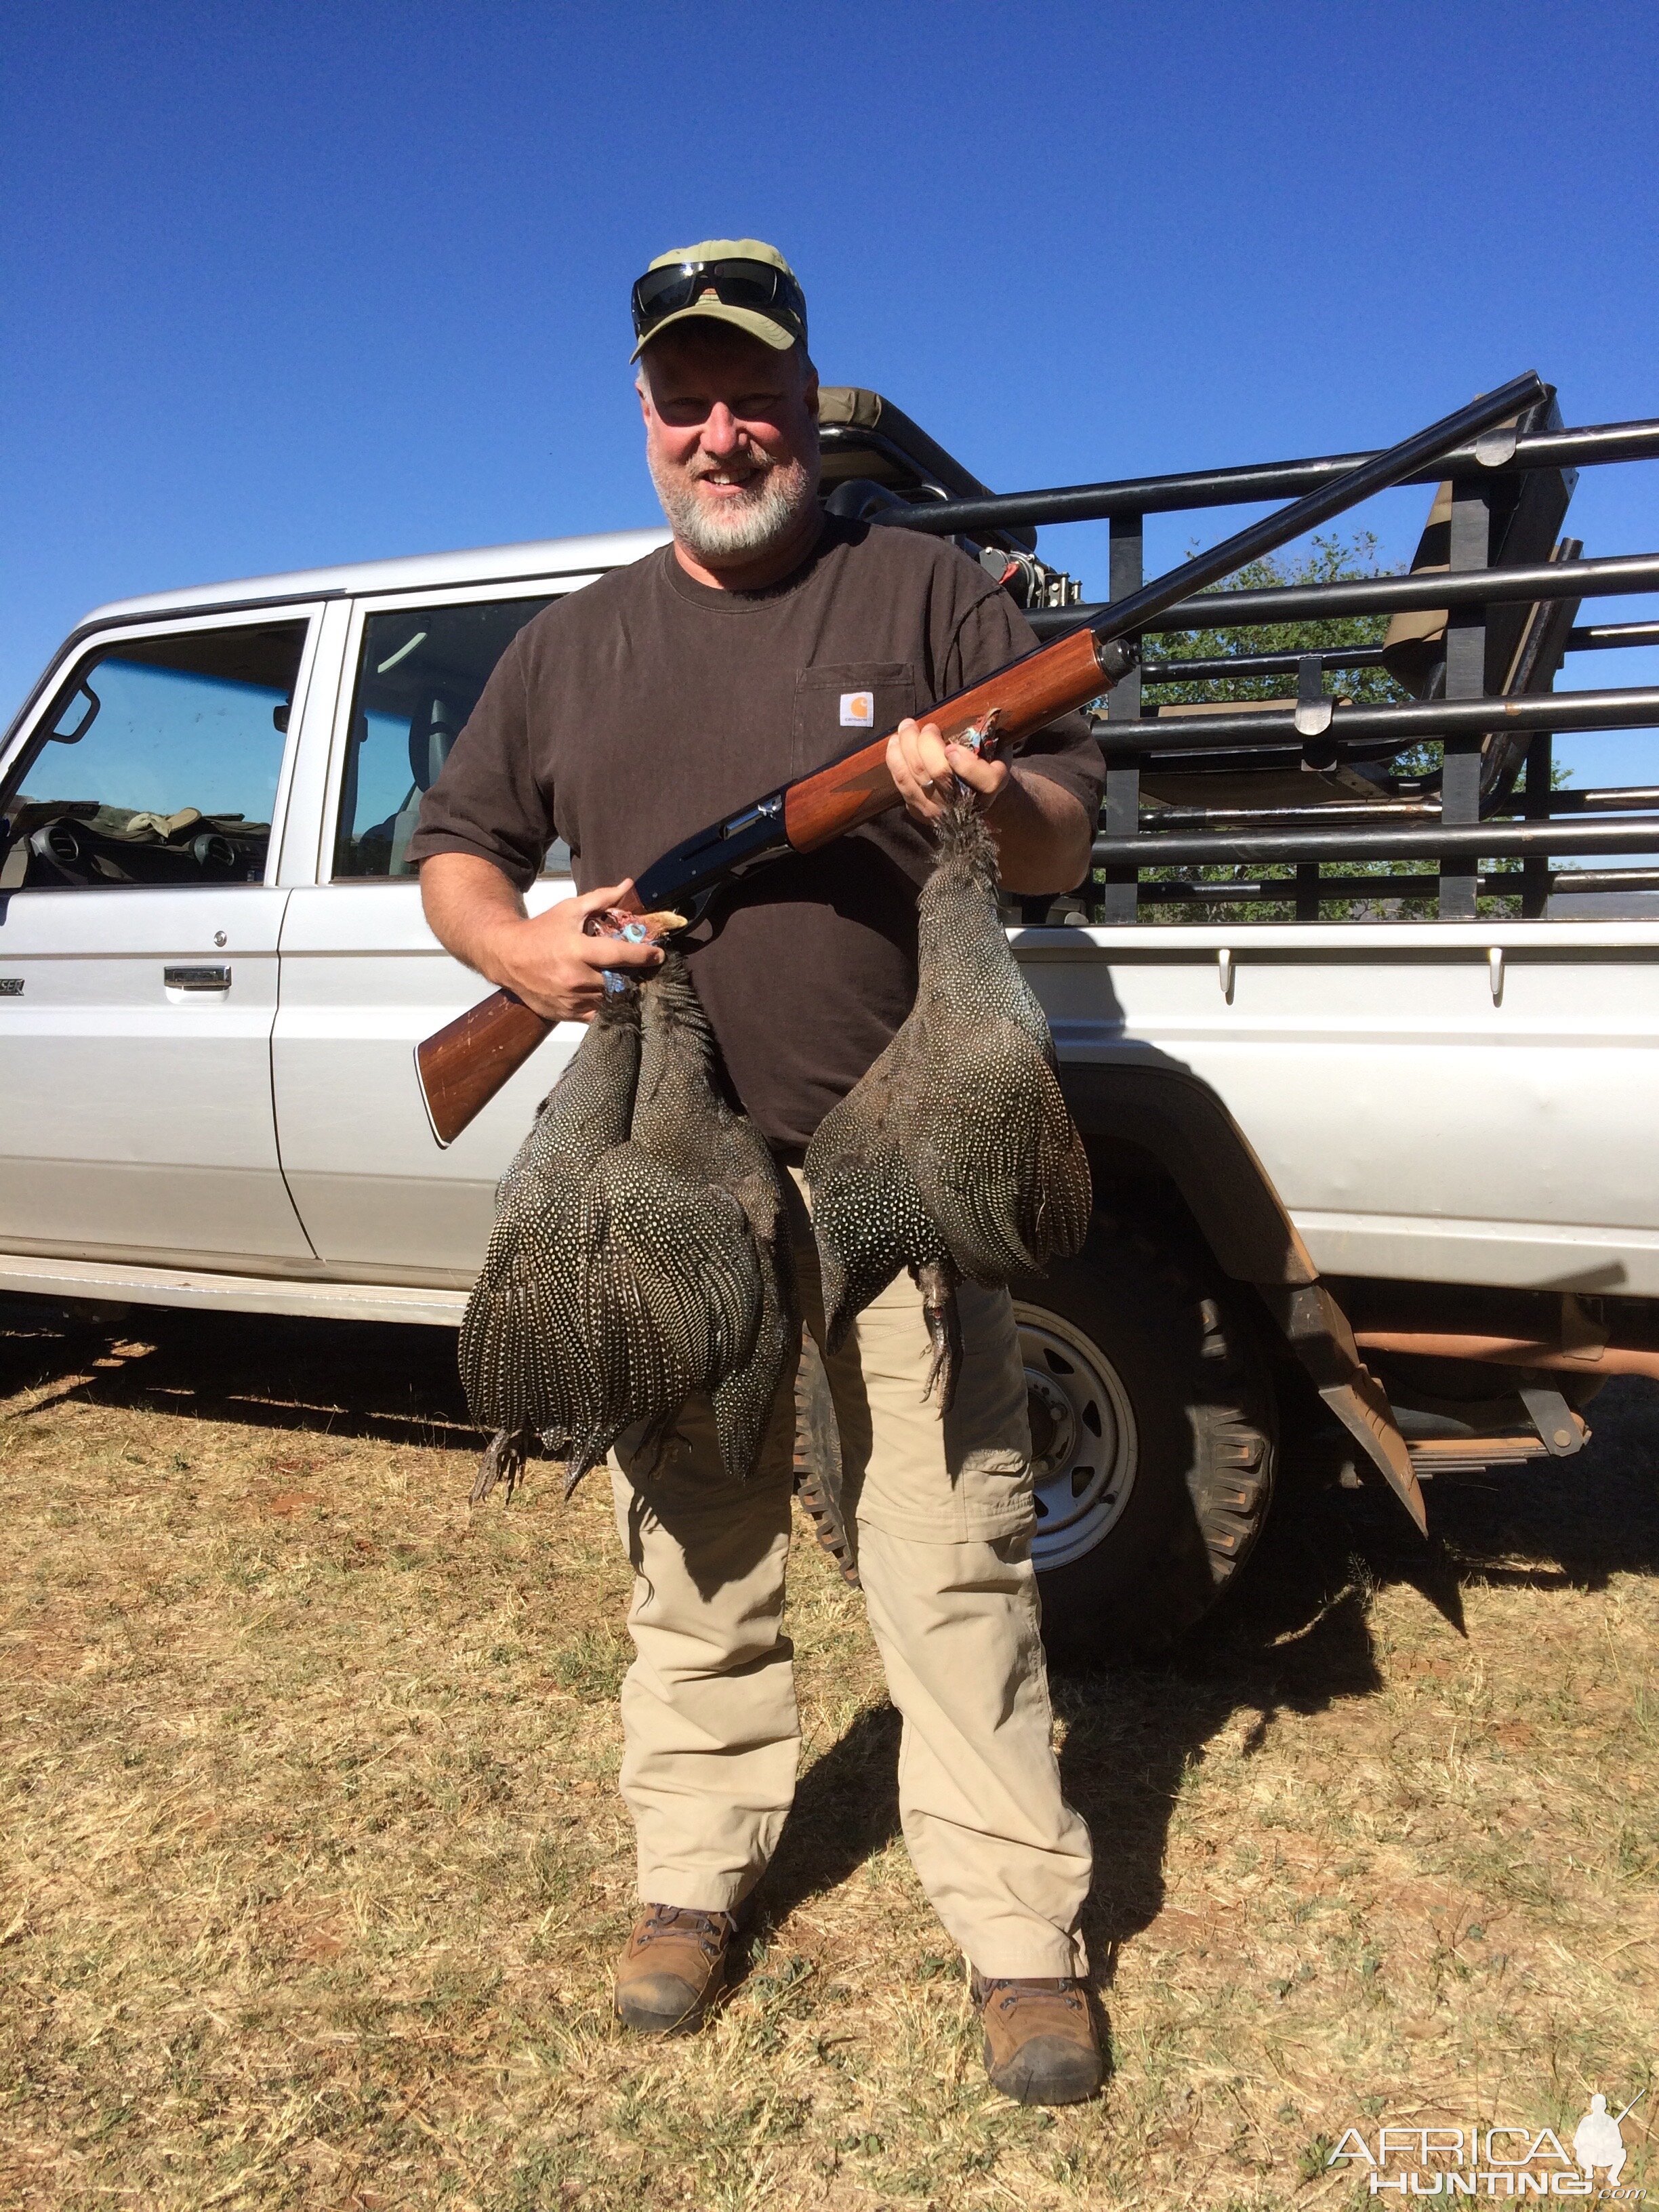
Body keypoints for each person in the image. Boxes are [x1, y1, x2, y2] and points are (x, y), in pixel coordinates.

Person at [411, 239, 1105, 2106]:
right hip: (669, 1188)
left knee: (950, 1550)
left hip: (902, 1174)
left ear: (811, 402)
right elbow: (461, 850)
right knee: (692, 1544)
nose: (725, 431)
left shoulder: (931, 589)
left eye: (758, 394)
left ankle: (1022, 1935)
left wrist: (984, 789)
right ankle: (692, 1884)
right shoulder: (575, 641)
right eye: (687, 399)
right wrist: (521, 955)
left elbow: (1056, 840)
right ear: (648, 419)